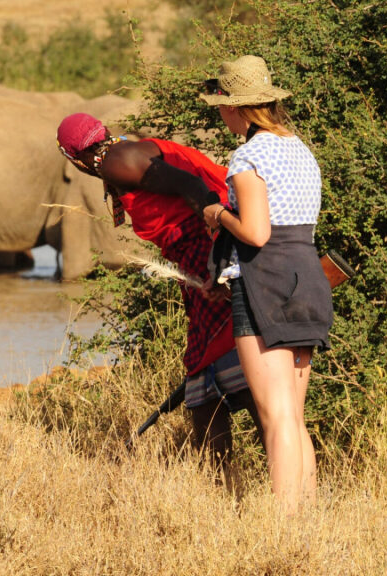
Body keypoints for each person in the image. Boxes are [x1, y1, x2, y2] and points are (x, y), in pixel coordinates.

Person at [56, 112, 262, 477]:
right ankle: (224, 481)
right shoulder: (120, 157)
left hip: (204, 249)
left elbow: (192, 188)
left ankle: (270, 463)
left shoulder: (117, 161)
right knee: (205, 366)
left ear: (74, 158)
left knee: (220, 357)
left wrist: (215, 262)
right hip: (198, 253)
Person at [199, 55, 333, 513]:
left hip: (265, 281)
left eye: (222, 106)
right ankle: (305, 518)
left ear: (237, 109)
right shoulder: (300, 148)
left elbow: (256, 233)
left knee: (275, 417)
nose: (221, 114)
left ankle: (283, 526)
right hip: (307, 276)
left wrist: (218, 214)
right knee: (293, 416)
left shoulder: (248, 156)